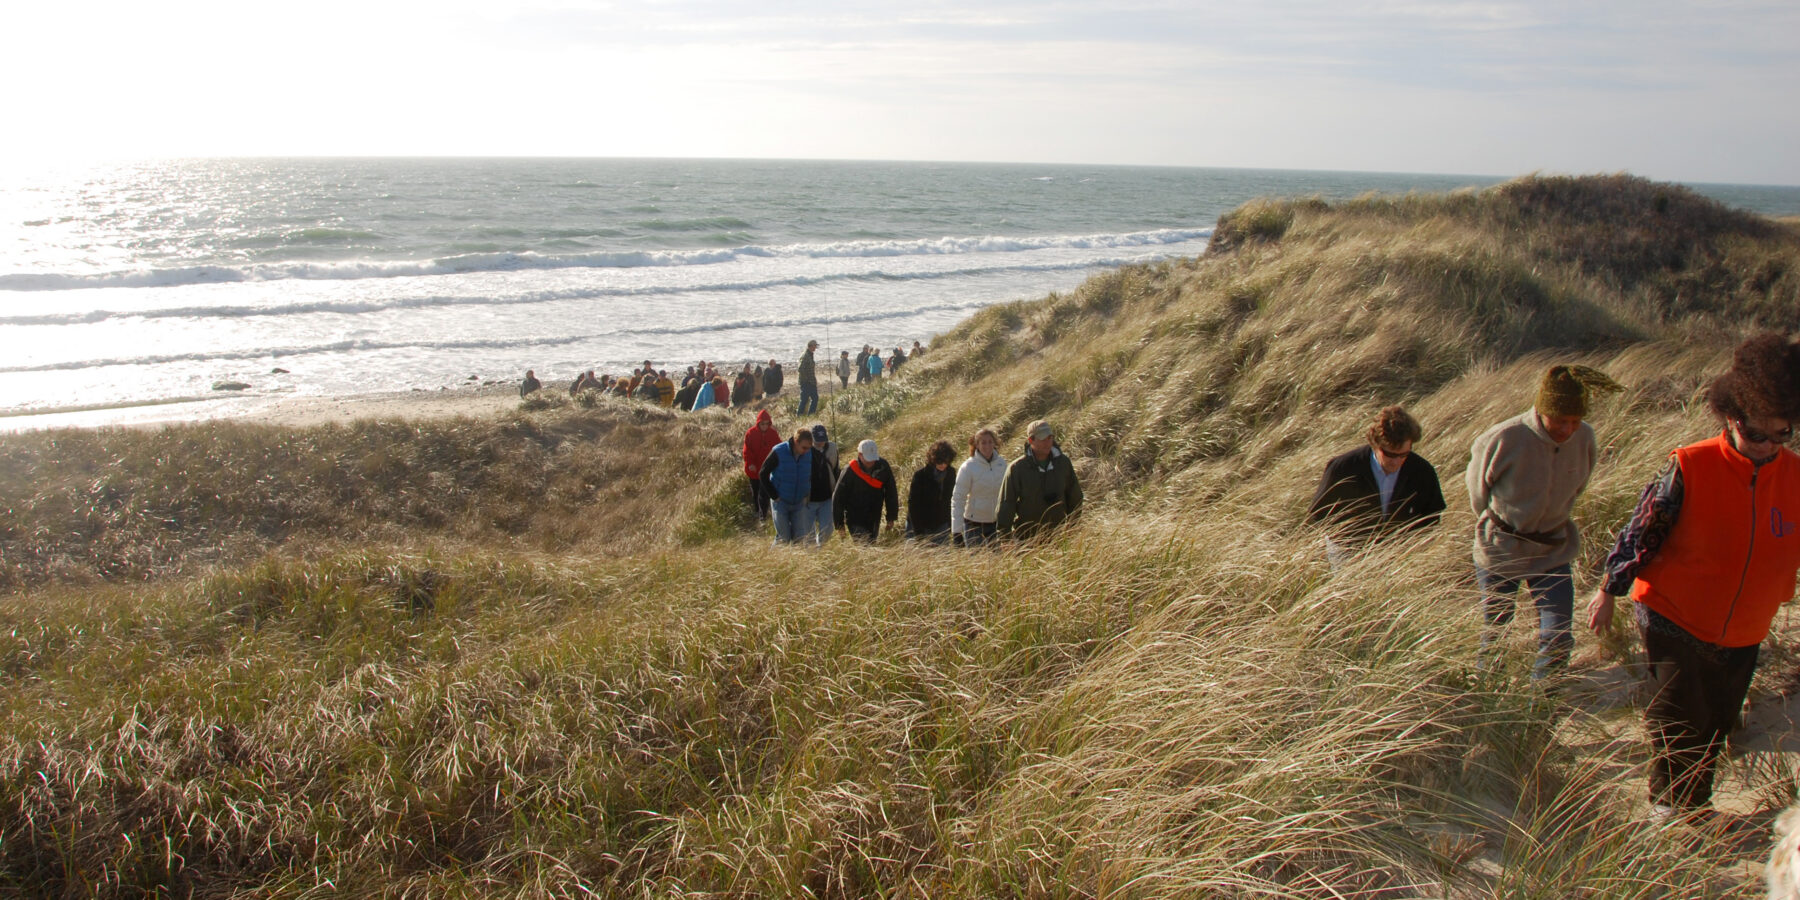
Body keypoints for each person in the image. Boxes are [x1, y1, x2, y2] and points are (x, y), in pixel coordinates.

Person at [1588, 335, 1800, 822]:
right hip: (1673, 613)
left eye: (1781, 434)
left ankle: (1694, 804)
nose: (1767, 446)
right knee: (1680, 718)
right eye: (1757, 434)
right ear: (1732, 417)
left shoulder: (1795, 476)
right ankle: (1669, 811)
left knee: (1719, 721)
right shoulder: (1690, 464)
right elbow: (1642, 531)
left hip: (1747, 626)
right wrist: (1607, 590)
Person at [1467, 364, 1623, 680]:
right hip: (1501, 547)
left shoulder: (1586, 438)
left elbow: (1580, 485)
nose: (1568, 429)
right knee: (1495, 633)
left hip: (1553, 548)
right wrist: (1509, 524)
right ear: (1542, 410)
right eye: (1560, 421)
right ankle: (1485, 698)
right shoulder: (1501, 438)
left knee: (1558, 636)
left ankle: (1541, 706)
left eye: (1576, 421)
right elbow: (1478, 496)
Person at [1308, 406, 1446, 567]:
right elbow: (1319, 513)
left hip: (1401, 559)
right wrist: (1346, 541)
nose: (1396, 461)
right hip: (1347, 555)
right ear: (1375, 443)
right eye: (1389, 454)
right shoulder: (1343, 468)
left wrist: (1411, 548)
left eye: (1403, 454)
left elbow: (1432, 516)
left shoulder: (1423, 471)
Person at [997, 420, 1083, 538]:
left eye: (1050, 438)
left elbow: (1075, 496)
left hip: (1059, 536)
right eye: (1043, 439)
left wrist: (1073, 525)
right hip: (1027, 538)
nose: (1047, 442)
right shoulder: (1017, 468)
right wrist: (1005, 537)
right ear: (1031, 440)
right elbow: (1007, 503)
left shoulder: (1063, 463)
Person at [760, 428, 832, 545]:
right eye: (804, 448)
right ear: (795, 441)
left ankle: (795, 563)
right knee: (784, 538)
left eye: (809, 448)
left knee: (799, 540)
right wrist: (774, 496)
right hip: (781, 502)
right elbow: (763, 473)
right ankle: (774, 561)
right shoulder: (778, 451)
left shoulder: (809, 452)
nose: (807, 451)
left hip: (799, 503)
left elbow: (818, 473)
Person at [834, 439, 899, 543]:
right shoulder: (849, 470)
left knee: (872, 542)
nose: (871, 462)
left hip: (875, 516)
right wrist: (840, 524)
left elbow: (891, 492)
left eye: (873, 459)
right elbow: (838, 498)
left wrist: (891, 516)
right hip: (855, 518)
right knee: (864, 544)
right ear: (860, 455)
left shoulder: (883, 467)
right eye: (868, 460)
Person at [952, 427, 1007, 548]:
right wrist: (956, 531)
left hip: (995, 524)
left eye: (990, 442)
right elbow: (958, 498)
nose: (987, 446)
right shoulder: (968, 467)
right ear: (976, 445)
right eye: (983, 442)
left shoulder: (1002, 464)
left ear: (994, 443)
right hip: (974, 525)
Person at [906, 440, 958, 545]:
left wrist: (950, 523)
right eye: (940, 461)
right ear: (933, 459)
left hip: (942, 524)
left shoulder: (951, 473)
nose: (943, 465)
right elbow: (913, 504)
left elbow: (952, 498)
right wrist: (918, 532)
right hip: (920, 524)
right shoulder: (920, 475)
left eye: (946, 462)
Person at [742, 409, 783, 524]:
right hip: (754, 469)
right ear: (758, 423)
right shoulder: (750, 433)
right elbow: (746, 451)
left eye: (767, 423)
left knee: (766, 491)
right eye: (762, 423)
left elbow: (779, 448)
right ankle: (758, 511)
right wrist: (750, 464)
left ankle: (765, 514)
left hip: (768, 470)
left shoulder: (773, 433)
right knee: (756, 491)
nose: (765, 426)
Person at [808, 424, 839, 546]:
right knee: (808, 535)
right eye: (817, 440)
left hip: (827, 497)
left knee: (827, 530)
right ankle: (811, 558)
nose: (821, 443)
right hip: (808, 499)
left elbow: (836, 470)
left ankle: (820, 550)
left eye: (823, 440)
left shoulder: (832, 448)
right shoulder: (804, 449)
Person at [797, 341, 820, 415]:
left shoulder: (809, 355)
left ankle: (810, 415)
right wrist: (807, 380)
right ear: (810, 346)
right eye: (814, 346)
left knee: (815, 398)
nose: (815, 348)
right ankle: (799, 415)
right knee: (804, 400)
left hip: (811, 382)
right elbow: (800, 369)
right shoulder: (805, 356)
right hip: (806, 382)